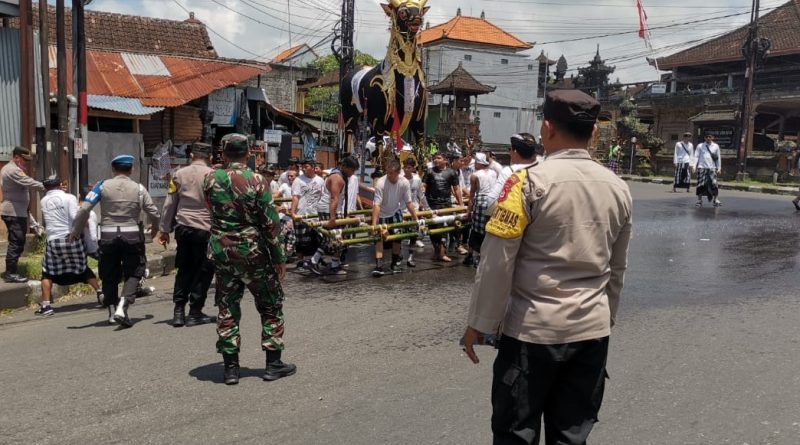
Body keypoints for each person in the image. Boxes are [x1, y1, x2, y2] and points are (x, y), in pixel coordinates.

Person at [463, 89, 633, 445]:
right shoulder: (618, 188)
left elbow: (497, 262)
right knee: (571, 436)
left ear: (547, 128)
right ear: (594, 133)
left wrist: (480, 323)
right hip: (591, 333)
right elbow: (617, 270)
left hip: (531, 334)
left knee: (515, 433)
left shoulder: (525, 183)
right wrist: (605, 320)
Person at [203, 134, 294, 385]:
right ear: (248, 154)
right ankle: (273, 364)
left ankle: (230, 369)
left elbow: (211, 210)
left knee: (227, 307)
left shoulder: (210, 179)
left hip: (223, 253)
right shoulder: (257, 180)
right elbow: (270, 223)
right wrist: (279, 257)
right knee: (271, 305)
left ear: (223, 153)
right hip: (253, 253)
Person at [70, 155, 161, 327]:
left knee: (109, 273)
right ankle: (123, 305)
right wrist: (156, 228)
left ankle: (112, 312)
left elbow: (84, 209)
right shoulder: (139, 188)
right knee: (135, 271)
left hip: (108, 236)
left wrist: (75, 231)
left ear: (113, 169)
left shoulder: (101, 186)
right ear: (131, 170)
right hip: (132, 236)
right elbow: (154, 212)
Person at [159, 142, 215, 328]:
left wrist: (164, 229)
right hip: (206, 229)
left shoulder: (178, 174)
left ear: (191, 156)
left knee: (184, 269)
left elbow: (169, 204)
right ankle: (195, 312)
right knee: (204, 270)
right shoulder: (214, 176)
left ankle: (178, 312)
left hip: (183, 228)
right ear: (210, 158)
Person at [37, 176, 103, 317]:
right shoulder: (69, 197)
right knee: (83, 267)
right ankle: (99, 292)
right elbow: (75, 217)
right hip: (72, 238)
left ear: (46, 188)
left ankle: (46, 305)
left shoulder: (43, 201)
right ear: (60, 185)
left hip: (54, 241)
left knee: (47, 273)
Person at [310, 156, 360, 276]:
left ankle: (320, 262)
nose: (352, 173)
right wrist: (332, 218)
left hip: (332, 209)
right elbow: (334, 198)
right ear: (345, 167)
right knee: (337, 238)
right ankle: (330, 265)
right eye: (352, 170)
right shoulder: (337, 177)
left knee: (332, 238)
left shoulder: (339, 175)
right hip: (329, 210)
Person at [1, 146, 44, 283]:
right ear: (16, 157)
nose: (26, 162)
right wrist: (47, 186)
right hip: (13, 212)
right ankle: (10, 273)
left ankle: (12, 271)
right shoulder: (12, 170)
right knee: (16, 242)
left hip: (17, 211)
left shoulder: (14, 168)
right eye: (24, 159)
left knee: (18, 241)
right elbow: (28, 182)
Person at [371, 160, 418, 277]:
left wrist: (416, 219)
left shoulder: (404, 182)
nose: (388, 175)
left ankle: (394, 263)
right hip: (382, 212)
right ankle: (379, 265)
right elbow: (377, 205)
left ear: (398, 172)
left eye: (391, 173)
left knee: (397, 238)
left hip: (395, 211)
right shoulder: (381, 183)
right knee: (379, 238)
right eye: (387, 172)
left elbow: (408, 202)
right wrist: (374, 224)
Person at [423, 153, 462, 262]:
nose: (436, 160)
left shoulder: (451, 172)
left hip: (446, 205)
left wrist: (461, 204)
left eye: (439, 158)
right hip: (432, 204)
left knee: (444, 229)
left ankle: (442, 253)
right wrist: (422, 202)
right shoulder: (429, 172)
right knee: (432, 229)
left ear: (445, 160)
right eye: (434, 158)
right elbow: (423, 187)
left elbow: (456, 189)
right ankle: (437, 251)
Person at [290, 159, 326, 269]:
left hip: (316, 214)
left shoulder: (320, 180)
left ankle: (316, 260)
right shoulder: (298, 180)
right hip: (302, 214)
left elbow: (323, 196)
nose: (304, 169)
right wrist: (293, 213)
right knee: (301, 240)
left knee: (317, 238)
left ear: (313, 167)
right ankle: (301, 261)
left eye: (306, 167)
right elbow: (295, 197)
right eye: (303, 167)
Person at [463, 153, 497, 267]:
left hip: (482, 202)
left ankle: (476, 256)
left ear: (479, 163)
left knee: (477, 229)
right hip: (494, 201)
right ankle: (480, 255)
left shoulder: (475, 175)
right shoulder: (494, 173)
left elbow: (472, 195)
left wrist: (469, 211)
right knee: (488, 228)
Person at [485, 134, 540, 204]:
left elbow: (491, 199)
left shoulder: (509, 171)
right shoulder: (541, 168)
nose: (509, 153)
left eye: (510, 149)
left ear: (515, 152)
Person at [403, 158, 426, 252]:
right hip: (402, 208)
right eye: (404, 167)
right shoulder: (400, 179)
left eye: (409, 167)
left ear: (413, 168)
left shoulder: (417, 179)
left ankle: (414, 241)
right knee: (402, 228)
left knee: (415, 226)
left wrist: (423, 204)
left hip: (414, 207)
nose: (406, 169)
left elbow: (421, 194)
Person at [693, 133, 722, 207]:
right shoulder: (700, 146)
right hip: (702, 167)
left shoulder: (716, 146)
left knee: (714, 184)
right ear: (704, 138)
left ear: (712, 137)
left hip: (712, 168)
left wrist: (719, 168)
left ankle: (716, 200)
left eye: (710, 136)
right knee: (700, 184)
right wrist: (694, 166)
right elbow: (696, 156)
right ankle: (699, 200)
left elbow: (718, 158)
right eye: (706, 137)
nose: (708, 138)